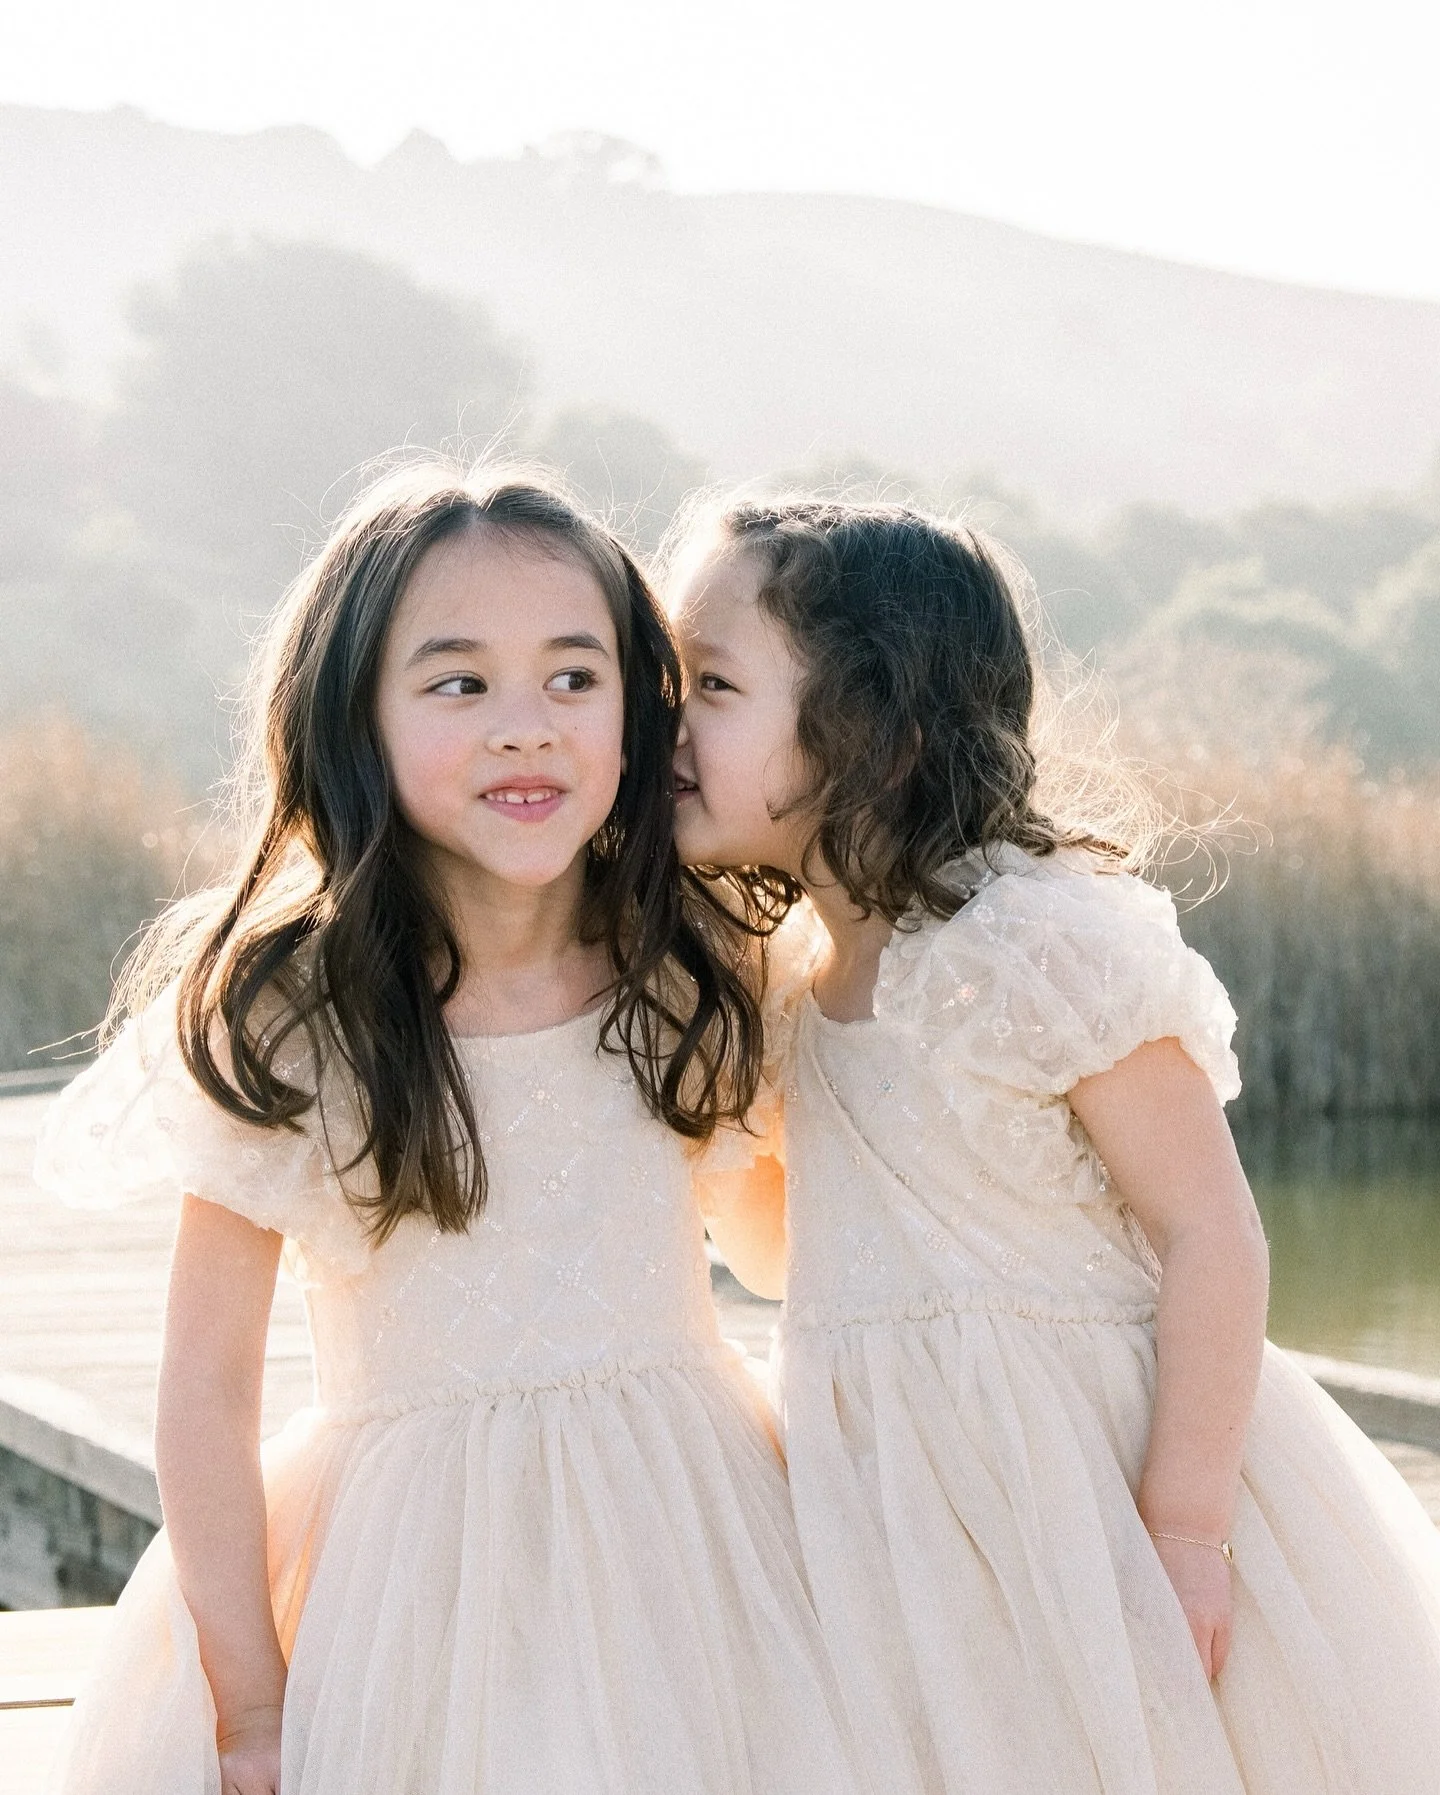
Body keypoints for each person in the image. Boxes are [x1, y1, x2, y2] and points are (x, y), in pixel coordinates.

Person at [35, 466, 864, 1795]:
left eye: (574, 678)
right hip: (408, 1561)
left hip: (692, 1536)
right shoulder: (298, 1013)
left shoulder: (696, 964)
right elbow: (204, 1391)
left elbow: (803, 1231)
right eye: (460, 682)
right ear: (354, 714)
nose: (525, 728)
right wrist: (248, 1695)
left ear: (639, 714)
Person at [672, 494, 1440, 1794]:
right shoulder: (793, 983)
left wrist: (1187, 1523)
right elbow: (793, 1247)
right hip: (903, 1508)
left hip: (1093, 1488)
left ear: (881, 731)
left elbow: (1213, 1231)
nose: (665, 722)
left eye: (712, 684)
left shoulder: (1033, 942)